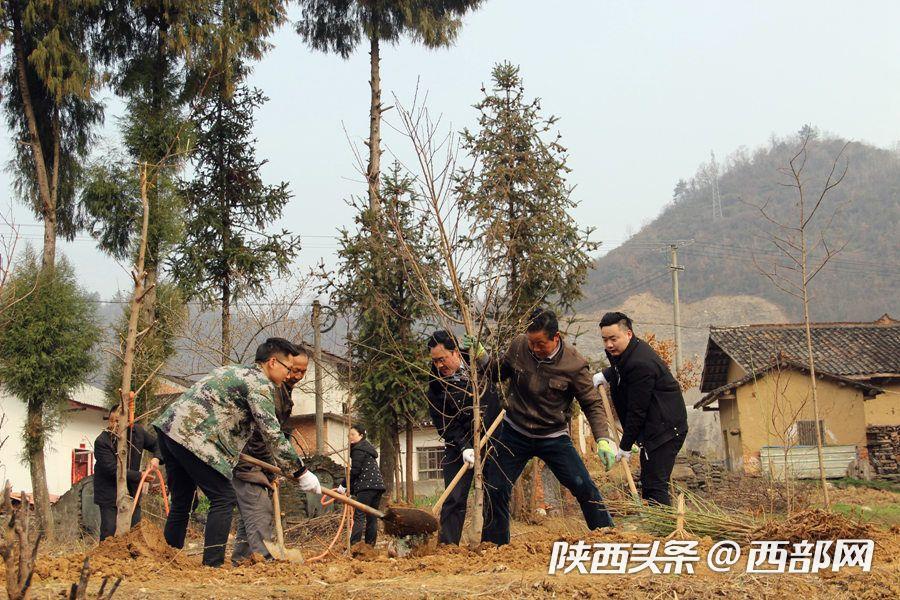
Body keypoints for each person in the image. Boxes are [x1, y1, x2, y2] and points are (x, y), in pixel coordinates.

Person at [152, 337, 320, 567]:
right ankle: (212, 565)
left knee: (182, 500)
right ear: (272, 363)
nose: (289, 375)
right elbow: (271, 434)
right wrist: (301, 472)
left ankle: (167, 560)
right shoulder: (259, 385)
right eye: (288, 369)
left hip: (169, 429)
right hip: (193, 439)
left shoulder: (235, 371)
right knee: (223, 497)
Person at [482, 308, 615, 546]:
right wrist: (481, 357)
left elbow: (591, 403)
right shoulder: (519, 346)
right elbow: (498, 372)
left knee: (582, 485)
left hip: (552, 436)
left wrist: (603, 438)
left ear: (556, 338)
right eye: (531, 342)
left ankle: (608, 536)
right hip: (515, 431)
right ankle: (495, 546)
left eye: (540, 343)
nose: (534, 348)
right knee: (496, 487)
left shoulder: (574, 364)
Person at [593, 312, 688, 506]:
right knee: (651, 482)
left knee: (654, 485)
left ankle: (664, 529)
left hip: (665, 430)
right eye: (605, 340)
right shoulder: (625, 352)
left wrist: (625, 446)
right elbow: (621, 369)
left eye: (613, 339)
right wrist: (607, 374)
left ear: (628, 334)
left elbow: (638, 410)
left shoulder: (641, 363)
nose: (609, 345)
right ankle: (661, 525)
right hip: (654, 426)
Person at [231, 346, 309, 564]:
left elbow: (279, 431)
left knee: (251, 517)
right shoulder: (268, 388)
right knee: (259, 509)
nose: (296, 376)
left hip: (262, 460)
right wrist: (291, 469)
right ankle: (263, 561)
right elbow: (264, 433)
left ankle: (242, 560)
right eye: (293, 370)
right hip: (249, 459)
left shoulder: (284, 391)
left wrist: (272, 467)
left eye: (303, 371)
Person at [425, 330, 500, 545]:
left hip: (492, 438)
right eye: (435, 361)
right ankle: (448, 545)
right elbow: (444, 424)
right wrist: (464, 447)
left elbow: (500, 374)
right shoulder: (436, 387)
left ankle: (493, 543)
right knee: (454, 498)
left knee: (494, 493)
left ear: (456, 352)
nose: (439, 365)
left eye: (442, 359)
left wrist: (484, 357)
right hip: (458, 446)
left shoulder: (478, 366)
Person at [92, 410, 160, 540]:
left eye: (119, 421)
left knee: (135, 529)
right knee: (109, 530)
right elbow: (112, 470)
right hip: (109, 492)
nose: (115, 424)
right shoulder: (101, 441)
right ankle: (105, 557)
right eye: (112, 421)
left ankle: (133, 557)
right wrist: (141, 476)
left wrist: (156, 459)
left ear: (129, 421)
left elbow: (158, 444)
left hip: (132, 491)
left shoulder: (138, 432)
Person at [335, 424, 386, 546]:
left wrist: (343, 486)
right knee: (372, 517)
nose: (350, 437)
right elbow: (360, 471)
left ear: (361, 436)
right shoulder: (367, 448)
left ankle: (354, 546)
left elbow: (356, 471)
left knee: (359, 516)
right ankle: (369, 546)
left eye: (353, 434)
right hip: (377, 486)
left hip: (366, 487)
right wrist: (351, 490)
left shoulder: (358, 449)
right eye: (349, 435)